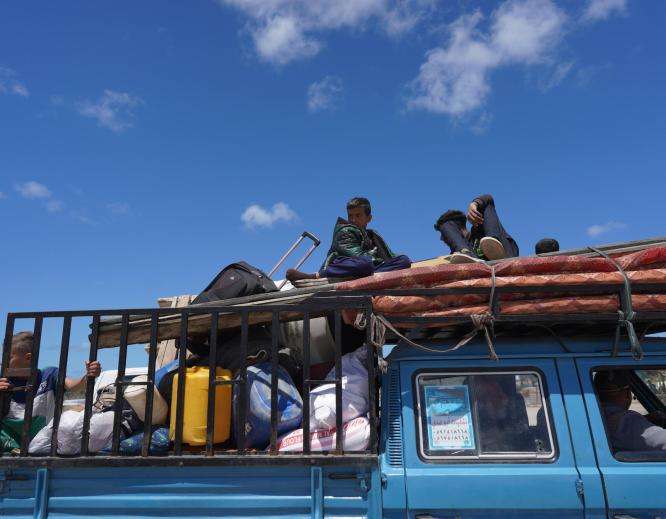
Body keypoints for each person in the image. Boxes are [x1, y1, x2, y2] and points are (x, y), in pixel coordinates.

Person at [287, 197, 411, 282]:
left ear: (369, 218)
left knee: (404, 260)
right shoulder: (345, 231)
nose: (353, 220)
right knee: (364, 264)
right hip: (346, 264)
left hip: (368, 268)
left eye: (358, 215)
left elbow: (390, 256)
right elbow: (358, 256)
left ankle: (374, 276)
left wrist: (392, 263)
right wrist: (380, 262)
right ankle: (316, 276)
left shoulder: (372, 235)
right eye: (350, 216)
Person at [0, 331, 101, 430]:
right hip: (7, 443)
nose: (2, 361)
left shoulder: (49, 375)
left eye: (9, 358)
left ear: (28, 358)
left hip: (41, 443)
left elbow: (72, 386)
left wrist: (88, 376)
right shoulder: (3, 380)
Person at [595, 370, 666, 452]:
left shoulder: (596, 416)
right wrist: (641, 423)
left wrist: (644, 419)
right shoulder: (627, 421)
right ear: (627, 393)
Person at [434, 194, 519, 263]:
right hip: (474, 260)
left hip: (506, 253)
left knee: (483, 206)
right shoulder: (458, 255)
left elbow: (488, 199)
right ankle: (466, 253)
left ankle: (494, 245)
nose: (442, 238)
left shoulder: (479, 228)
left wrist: (474, 204)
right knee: (461, 254)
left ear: (453, 229)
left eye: (444, 233)